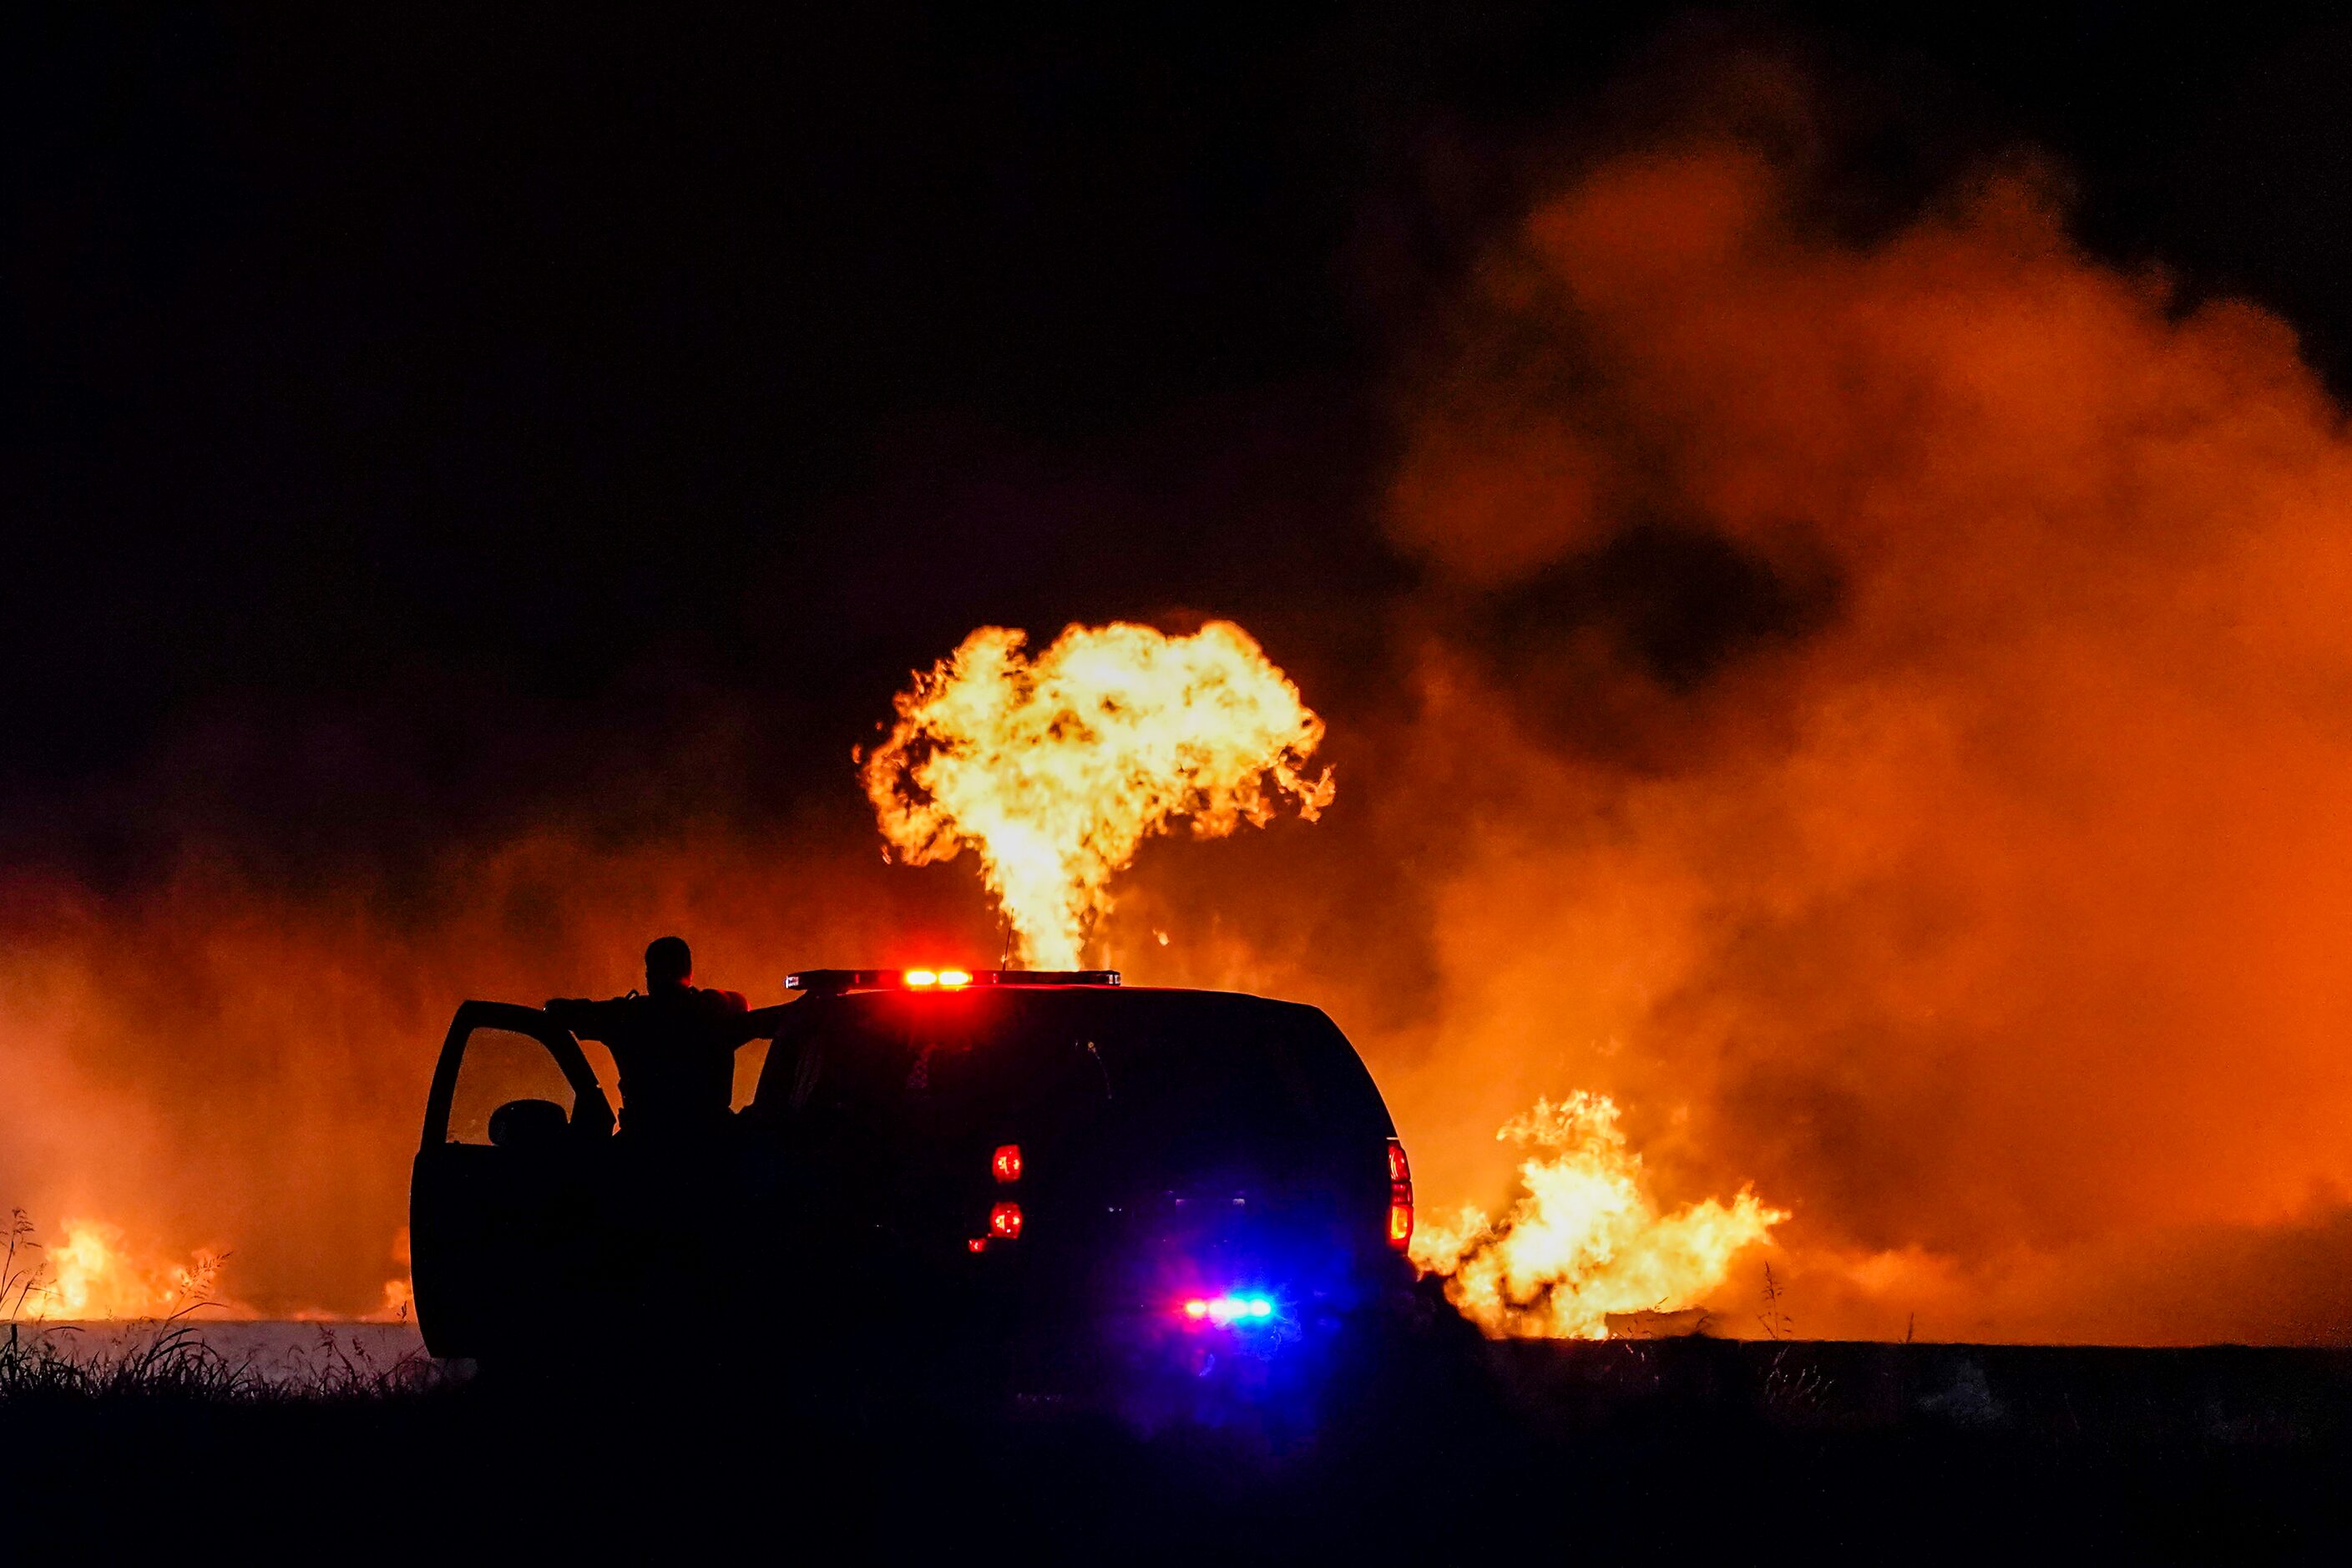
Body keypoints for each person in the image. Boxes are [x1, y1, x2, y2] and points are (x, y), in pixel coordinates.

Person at [545, 936, 781, 1140]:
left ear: (648, 975)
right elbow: (754, 1013)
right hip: (711, 1147)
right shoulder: (714, 1013)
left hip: (644, 1146)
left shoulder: (625, 1017)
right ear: (689, 972)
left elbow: (561, 1012)